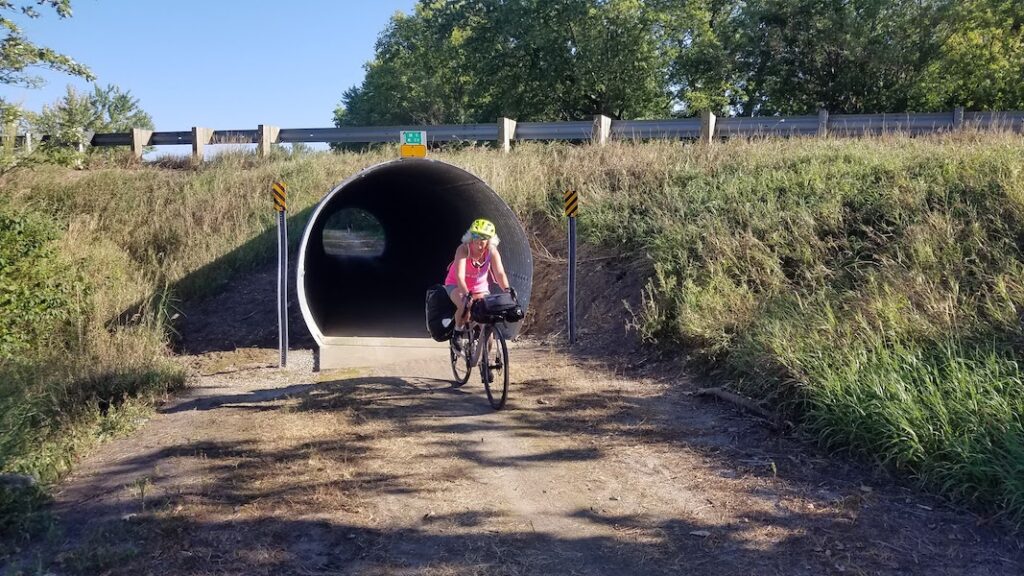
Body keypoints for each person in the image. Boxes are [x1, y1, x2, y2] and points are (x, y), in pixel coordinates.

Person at [443, 218, 511, 347]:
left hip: (480, 288)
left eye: (484, 238)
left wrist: (507, 290)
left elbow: (500, 273)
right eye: (475, 236)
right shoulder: (463, 250)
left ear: (490, 240)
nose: (479, 242)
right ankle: (457, 332)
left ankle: (484, 362)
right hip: (456, 285)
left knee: (487, 317)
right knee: (465, 306)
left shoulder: (492, 252)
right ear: (470, 237)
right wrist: (466, 295)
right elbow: (459, 276)